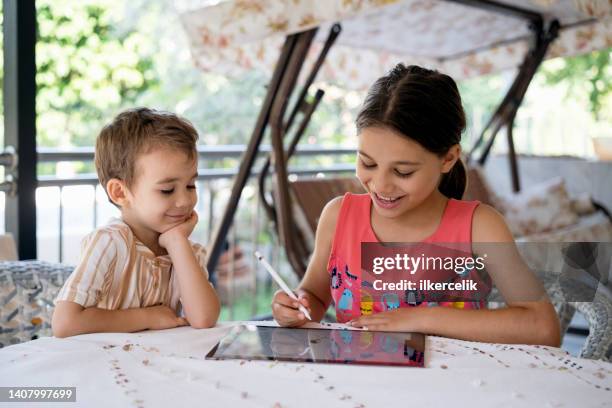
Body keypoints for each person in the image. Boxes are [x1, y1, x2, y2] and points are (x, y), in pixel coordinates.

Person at [272, 64, 561, 346]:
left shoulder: (478, 226)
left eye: (403, 172)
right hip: (356, 383)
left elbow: (542, 327)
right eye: (367, 163)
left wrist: (421, 318)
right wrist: (296, 305)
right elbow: (315, 295)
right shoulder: (338, 216)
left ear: (448, 159)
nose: (381, 185)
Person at [52, 108, 220, 337]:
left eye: (190, 186)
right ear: (120, 192)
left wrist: (177, 242)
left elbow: (204, 319)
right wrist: (147, 317)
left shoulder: (184, 250)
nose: (184, 201)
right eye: (167, 190)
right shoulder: (110, 243)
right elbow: (64, 323)